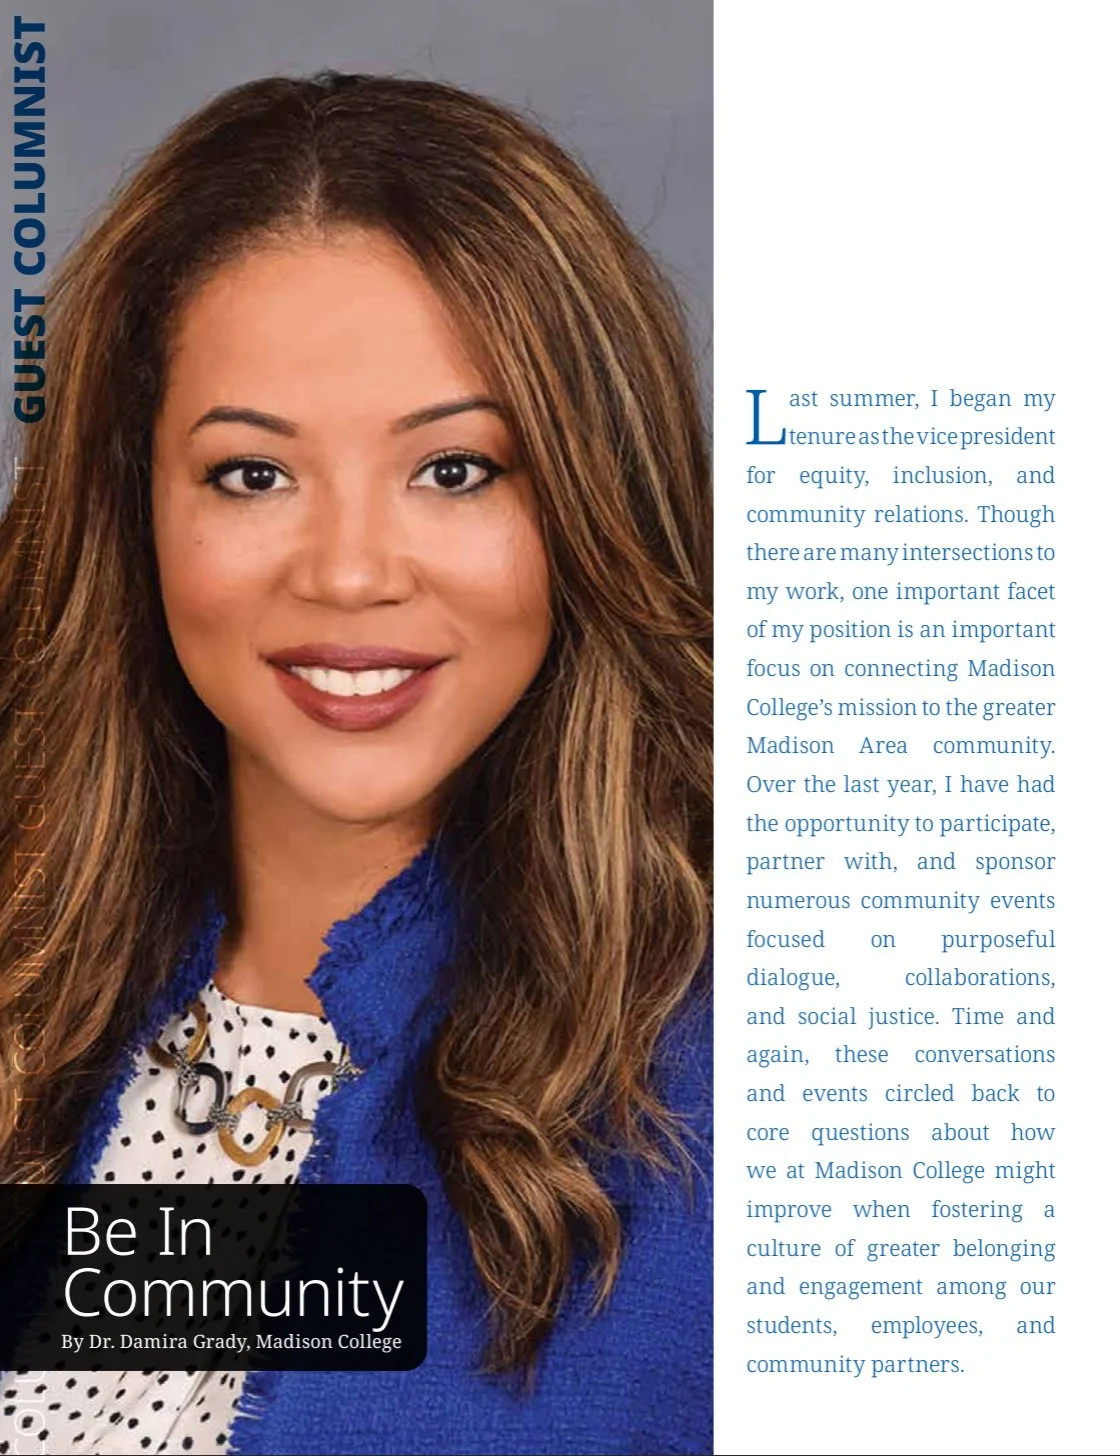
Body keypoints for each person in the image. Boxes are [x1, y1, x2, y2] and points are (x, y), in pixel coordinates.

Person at [0, 73, 711, 1455]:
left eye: (454, 470)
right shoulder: (46, 992)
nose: (347, 574)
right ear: (133, 507)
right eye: (251, 476)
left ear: (589, 498)